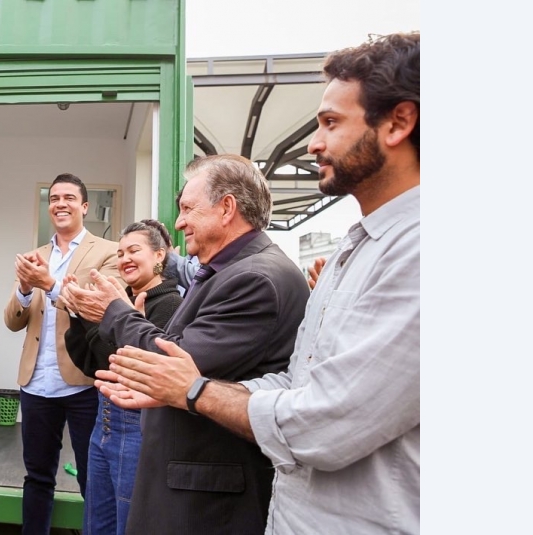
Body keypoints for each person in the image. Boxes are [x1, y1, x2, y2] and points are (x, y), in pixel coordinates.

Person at [101, 33, 420, 534]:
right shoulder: (353, 250)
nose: (315, 142)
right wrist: (186, 386)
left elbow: (326, 422)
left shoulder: (419, 252)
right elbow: (295, 383)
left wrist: (193, 389)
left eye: (332, 123)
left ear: (399, 122)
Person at [61, 154, 309, 534]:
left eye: (187, 209)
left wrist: (115, 311)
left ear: (227, 208)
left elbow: (170, 359)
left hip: (207, 498)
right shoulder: (227, 272)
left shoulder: (256, 279)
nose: (178, 223)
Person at [2, 173, 120, 535]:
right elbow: (12, 321)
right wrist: (24, 288)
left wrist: (50, 285)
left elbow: (102, 311)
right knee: (37, 475)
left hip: (84, 382)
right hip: (36, 381)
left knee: (92, 477)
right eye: (54, 198)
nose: (60, 204)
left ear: (84, 206)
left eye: (69, 197)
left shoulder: (107, 252)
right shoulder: (35, 256)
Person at [61, 220, 182, 535]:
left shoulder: (170, 304)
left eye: (134, 250)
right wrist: (79, 314)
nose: (125, 258)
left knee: (127, 523)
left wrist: (102, 318)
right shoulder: (119, 304)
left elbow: (128, 366)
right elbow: (92, 364)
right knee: (95, 521)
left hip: (138, 429)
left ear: (159, 256)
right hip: (103, 425)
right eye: (120, 253)